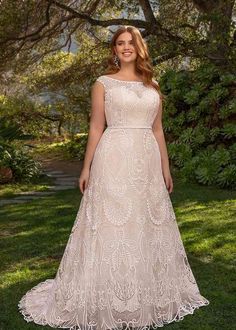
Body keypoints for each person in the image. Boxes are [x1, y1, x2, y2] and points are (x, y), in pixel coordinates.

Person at [18, 25, 209, 330]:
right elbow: (96, 127)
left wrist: (166, 167)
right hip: (114, 158)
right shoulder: (102, 84)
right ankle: (108, 292)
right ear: (115, 50)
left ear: (139, 47)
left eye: (130, 42)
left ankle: (145, 292)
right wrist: (85, 167)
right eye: (120, 43)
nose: (125, 47)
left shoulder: (153, 85)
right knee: (111, 222)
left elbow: (158, 129)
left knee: (145, 222)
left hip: (146, 159)